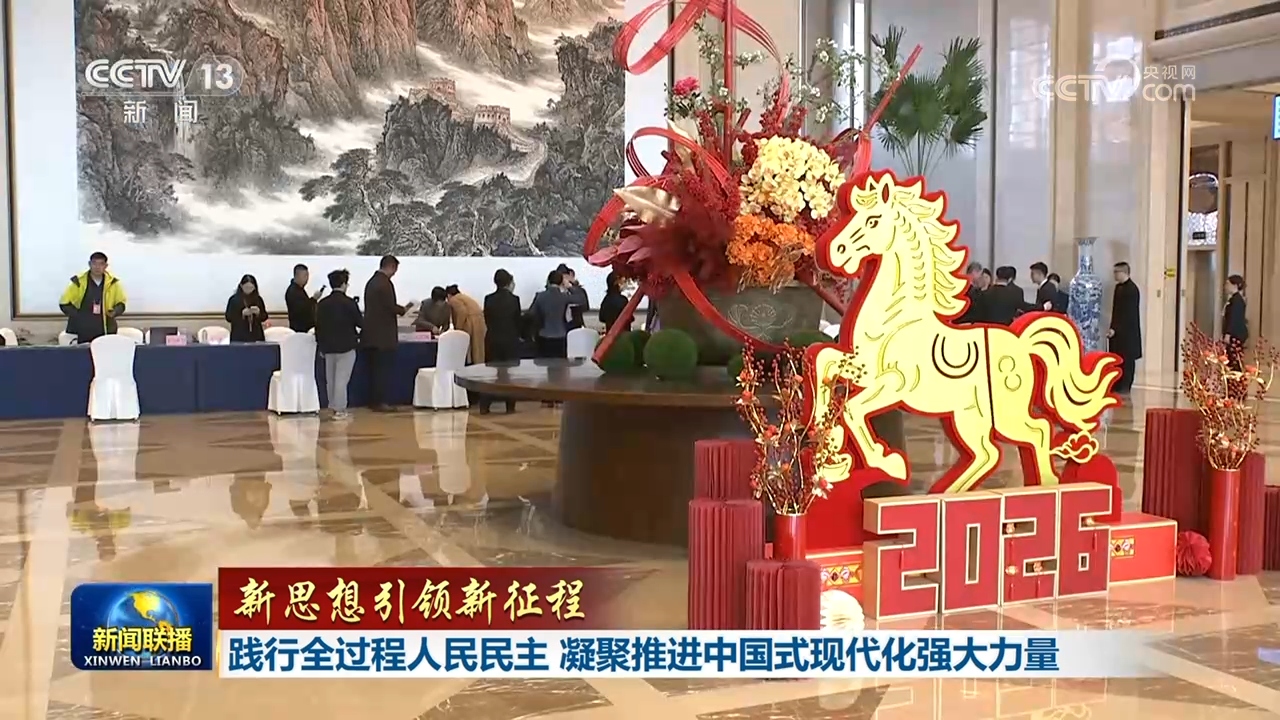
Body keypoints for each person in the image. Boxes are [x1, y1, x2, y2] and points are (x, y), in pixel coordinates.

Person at [362, 256, 415, 411]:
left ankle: (373, 401)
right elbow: (389, 307)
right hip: (383, 337)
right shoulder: (385, 284)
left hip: (371, 335)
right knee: (382, 370)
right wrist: (404, 309)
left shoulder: (372, 282)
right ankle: (380, 402)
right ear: (391, 266)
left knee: (373, 370)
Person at [315, 269, 363, 420]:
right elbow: (360, 323)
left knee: (331, 379)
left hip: (328, 347)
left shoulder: (322, 304)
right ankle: (340, 410)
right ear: (343, 284)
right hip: (346, 346)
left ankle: (333, 407)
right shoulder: (350, 303)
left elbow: (318, 326)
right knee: (341, 380)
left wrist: (321, 345)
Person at [59, 251, 127, 344]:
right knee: (83, 351)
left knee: (104, 350)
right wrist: (78, 316)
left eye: (101, 264)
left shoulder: (113, 283)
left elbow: (121, 303)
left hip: (105, 327)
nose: (97, 267)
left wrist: (115, 311)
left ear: (106, 266)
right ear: (89, 264)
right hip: (82, 328)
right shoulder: (78, 282)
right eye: (94, 263)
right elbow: (64, 303)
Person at [482, 269, 523, 414]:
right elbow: (517, 321)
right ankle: (510, 406)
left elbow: (487, 319)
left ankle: (485, 405)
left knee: (490, 374)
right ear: (509, 283)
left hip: (492, 339)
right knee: (509, 375)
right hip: (510, 340)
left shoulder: (488, 299)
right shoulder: (514, 299)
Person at [1107, 262, 1142, 394]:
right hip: (1117, 331)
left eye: (1116, 272)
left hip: (1128, 332)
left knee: (1127, 360)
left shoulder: (1132, 290)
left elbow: (1128, 313)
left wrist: (1116, 328)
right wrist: (1112, 327)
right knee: (1117, 358)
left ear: (1123, 272)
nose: (1114, 275)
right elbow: (1116, 311)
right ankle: (1116, 382)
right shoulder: (1118, 288)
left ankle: (1125, 385)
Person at [531, 270, 572, 358]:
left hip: (544, 334)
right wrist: (570, 286)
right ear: (561, 282)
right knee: (560, 363)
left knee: (544, 362)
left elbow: (532, 314)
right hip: (560, 335)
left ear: (548, 281)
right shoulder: (564, 297)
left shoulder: (540, 296)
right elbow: (582, 299)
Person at [445, 284, 486, 364]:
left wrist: (458, 328)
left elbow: (462, 311)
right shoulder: (463, 297)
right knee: (478, 348)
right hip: (480, 320)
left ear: (449, 295)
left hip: (471, 321)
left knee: (472, 348)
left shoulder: (454, 299)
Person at [225, 274, 269, 342]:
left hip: (256, 335)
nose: (249, 290)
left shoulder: (258, 299)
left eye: (251, 288)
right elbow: (228, 317)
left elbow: (264, 317)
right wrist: (241, 314)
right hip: (239, 335)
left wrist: (258, 312)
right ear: (241, 286)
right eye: (246, 287)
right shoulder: (234, 300)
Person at [285, 263, 323, 333]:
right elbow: (301, 309)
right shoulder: (293, 291)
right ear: (297, 276)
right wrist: (314, 299)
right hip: (299, 329)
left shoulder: (299, 289)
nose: (307, 279)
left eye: (307, 276)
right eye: (305, 276)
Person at [1223, 274, 1248, 370]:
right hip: (1235, 334)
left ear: (1235, 285)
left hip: (1236, 334)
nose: (1225, 286)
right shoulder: (1234, 299)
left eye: (1227, 284)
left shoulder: (1237, 300)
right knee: (1232, 358)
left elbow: (1234, 318)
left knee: (1234, 359)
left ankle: (1235, 377)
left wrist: (1228, 333)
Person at [557, 264, 590, 330]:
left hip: (575, 322)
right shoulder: (556, 291)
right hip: (560, 324)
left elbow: (585, 305)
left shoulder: (578, 290)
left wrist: (570, 287)